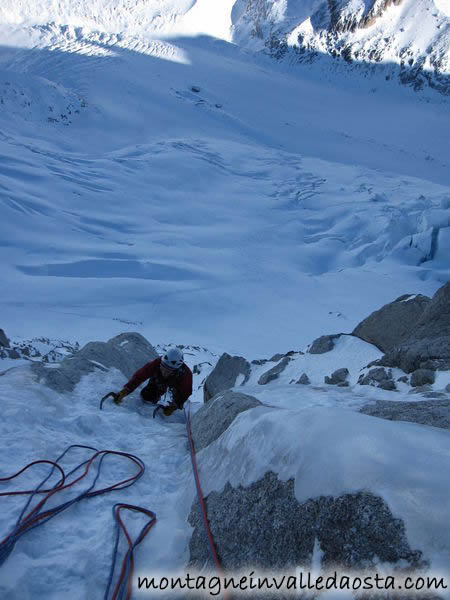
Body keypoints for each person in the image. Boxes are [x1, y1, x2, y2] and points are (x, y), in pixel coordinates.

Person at [114, 348, 193, 416]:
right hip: (159, 380)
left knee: (178, 402)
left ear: (175, 370)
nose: (164, 371)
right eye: (163, 367)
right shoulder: (156, 363)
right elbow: (139, 376)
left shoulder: (186, 375)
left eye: (168, 370)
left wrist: (175, 405)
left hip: (176, 384)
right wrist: (126, 390)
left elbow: (186, 392)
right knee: (147, 396)